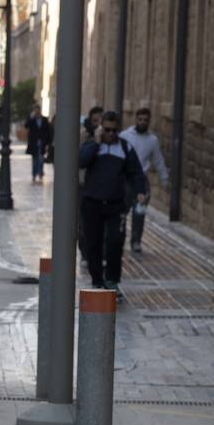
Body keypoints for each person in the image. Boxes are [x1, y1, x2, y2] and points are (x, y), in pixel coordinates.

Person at [78, 110, 146, 300]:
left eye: (114, 131)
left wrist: (140, 191)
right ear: (101, 129)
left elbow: (136, 172)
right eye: (106, 130)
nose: (110, 134)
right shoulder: (93, 146)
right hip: (92, 203)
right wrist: (96, 142)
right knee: (93, 243)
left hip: (115, 205)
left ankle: (112, 281)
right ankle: (97, 280)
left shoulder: (125, 148)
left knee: (115, 242)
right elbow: (81, 161)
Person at [119, 107, 169, 253]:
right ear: (136, 119)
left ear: (149, 121)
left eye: (145, 120)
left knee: (139, 213)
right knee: (122, 212)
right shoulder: (125, 136)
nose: (142, 122)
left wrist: (164, 178)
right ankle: (119, 239)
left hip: (142, 182)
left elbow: (158, 160)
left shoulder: (152, 140)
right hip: (126, 180)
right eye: (140, 119)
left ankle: (136, 241)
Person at [24, 107, 52, 184]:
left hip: (42, 142)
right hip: (34, 143)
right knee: (34, 159)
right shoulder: (32, 120)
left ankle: (40, 174)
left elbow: (48, 131)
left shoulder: (44, 119)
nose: (37, 112)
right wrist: (31, 117)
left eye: (38, 110)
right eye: (36, 111)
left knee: (41, 159)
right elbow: (26, 125)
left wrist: (48, 143)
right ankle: (34, 175)